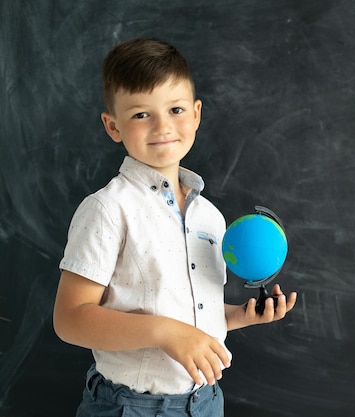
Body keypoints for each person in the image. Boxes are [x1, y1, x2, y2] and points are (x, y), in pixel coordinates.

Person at [53, 37, 297, 417]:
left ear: (196, 114)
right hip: (129, 407)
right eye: (140, 114)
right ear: (112, 126)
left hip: (205, 402)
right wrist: (164, 331)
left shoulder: (210, 218)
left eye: (176, 109)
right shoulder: (107, 209)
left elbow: (191, 315)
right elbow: (70, 319)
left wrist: (239, 316)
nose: (162, 126)